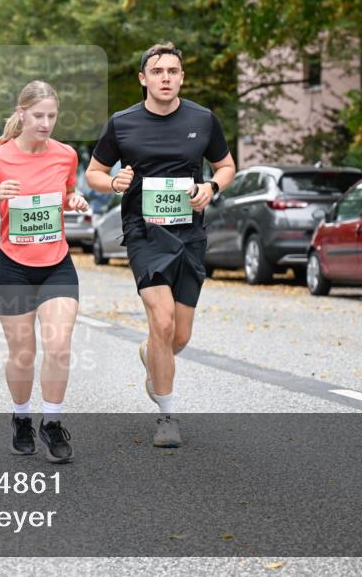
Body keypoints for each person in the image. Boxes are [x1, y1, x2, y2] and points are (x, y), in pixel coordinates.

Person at [86, 42, 236, 448]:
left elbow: (226, 165)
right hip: (144, 232)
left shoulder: (203, 120)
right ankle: (167, 416)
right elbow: (94, 174)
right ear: (143, 79)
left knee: (179, 336)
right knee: (163, 320)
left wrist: (212, 186)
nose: (165, 78)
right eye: (158, 71)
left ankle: (152, 354)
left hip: (190, 233)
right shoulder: (123, 123)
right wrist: (113, 181)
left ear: (181, 77)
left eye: (172, 71)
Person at [0, 81, 88, 464]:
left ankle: (51, 423)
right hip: (13, 268)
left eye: (52, 116)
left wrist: (75, 200)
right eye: (39, 116)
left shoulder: (66, 155)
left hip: (57, 265)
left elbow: (65, 193)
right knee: (23, 354)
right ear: (21, 114)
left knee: (59, 346)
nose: (46, 123)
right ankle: (21, 417)